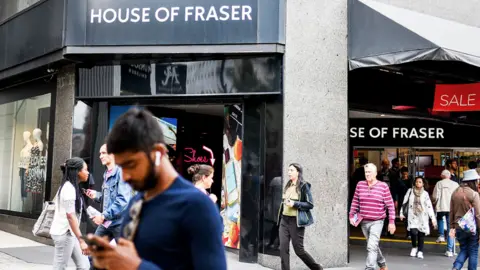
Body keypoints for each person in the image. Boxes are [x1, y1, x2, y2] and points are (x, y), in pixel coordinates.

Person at [88, 108, 227, 270]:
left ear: (158, 153)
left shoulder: (198, 207)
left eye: (130, 164)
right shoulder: (135, 206)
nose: (125, 176)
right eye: (121, 166)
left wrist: (137, 266)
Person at [350, 163, 395, 270]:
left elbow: (390, 205)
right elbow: (355, 201)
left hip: (377, 221)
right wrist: (351, 215)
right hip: (363, 221)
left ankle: (369, 268)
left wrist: (392, 222)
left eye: (370, 172)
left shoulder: (383, 186)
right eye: (366, 172)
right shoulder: (360, 185)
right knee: (373, 246)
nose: (367, 174)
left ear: (375, 173)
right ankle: (382, 264)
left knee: (371, 246)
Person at [278, 163, 322, 270]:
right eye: (288, 170)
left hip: (295, 222)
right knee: (283, 249)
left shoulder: (303, 186)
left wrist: (294, 204)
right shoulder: (288, 184)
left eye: (292, 170)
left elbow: (310, 204)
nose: (289, 172)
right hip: (284, 220)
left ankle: (317, 268)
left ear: (298, 172)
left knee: (299, 250)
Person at [49, 157, 91, 270]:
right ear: (77, 171)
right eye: (85, 170)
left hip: (71, 233)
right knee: (60, 267)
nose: (88, 172)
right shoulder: (69, 189)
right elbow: (71, 216)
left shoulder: (72, 187)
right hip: (65, 233)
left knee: (84, 266)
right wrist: (81, 240)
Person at [85, 144, 132, 242]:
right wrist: (96, 195)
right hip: (107, 222)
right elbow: (109, 198)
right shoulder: (106, 173)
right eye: (100, 153)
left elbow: (122, 200)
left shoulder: (122, 172)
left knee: (125, 254)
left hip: (120, 223)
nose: (100, 156)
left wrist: (103, 216)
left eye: (103, 153)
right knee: (93, 253)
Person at [450, 169, 480, 270]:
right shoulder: (473, 194)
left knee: (464, 249)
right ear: (473, 181)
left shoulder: (455, 193)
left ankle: (456, 267)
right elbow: (478, 215)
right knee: (473, 251)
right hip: (472, 228)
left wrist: (452, 227)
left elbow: (451, 211)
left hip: (459, 226)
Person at [400, 177, 437, 259]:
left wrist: (433, 219)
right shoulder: (410, 191)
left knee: (421, 234)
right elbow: (404, 202)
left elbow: (429, 206)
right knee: (413, 232)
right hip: (412, 215)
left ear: (423, 184)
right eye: (416, 182)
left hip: (423, 216)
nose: (418, 183)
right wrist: (401, 213)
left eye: (420, 182)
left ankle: (420, 251)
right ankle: (414, 247)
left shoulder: (425, 194)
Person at [432, 170, 459, 256]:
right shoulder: (455, 184)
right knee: (451, 228)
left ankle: (441, 235)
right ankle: (450, 250)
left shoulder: (439, 183)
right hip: (452, 208)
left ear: (442, 176)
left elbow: (435, 196)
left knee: (440, 218)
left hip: (442, 206)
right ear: (450, 176)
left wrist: (434, 202)